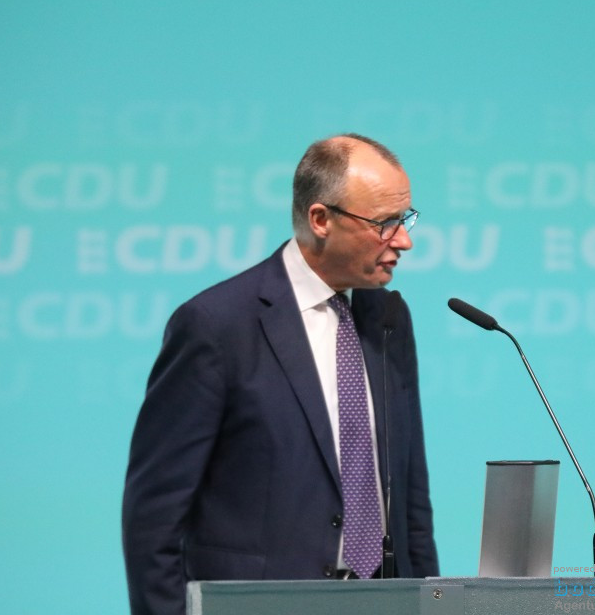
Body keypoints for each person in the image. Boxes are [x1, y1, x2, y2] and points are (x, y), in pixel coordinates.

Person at [121, 134, 439, 615]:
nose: (404, 240)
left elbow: (410, 496)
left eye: (406, 219)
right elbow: (154, 516)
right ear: (320, 220)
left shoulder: (389, 317)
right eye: (385, 224)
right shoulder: (216, 326)